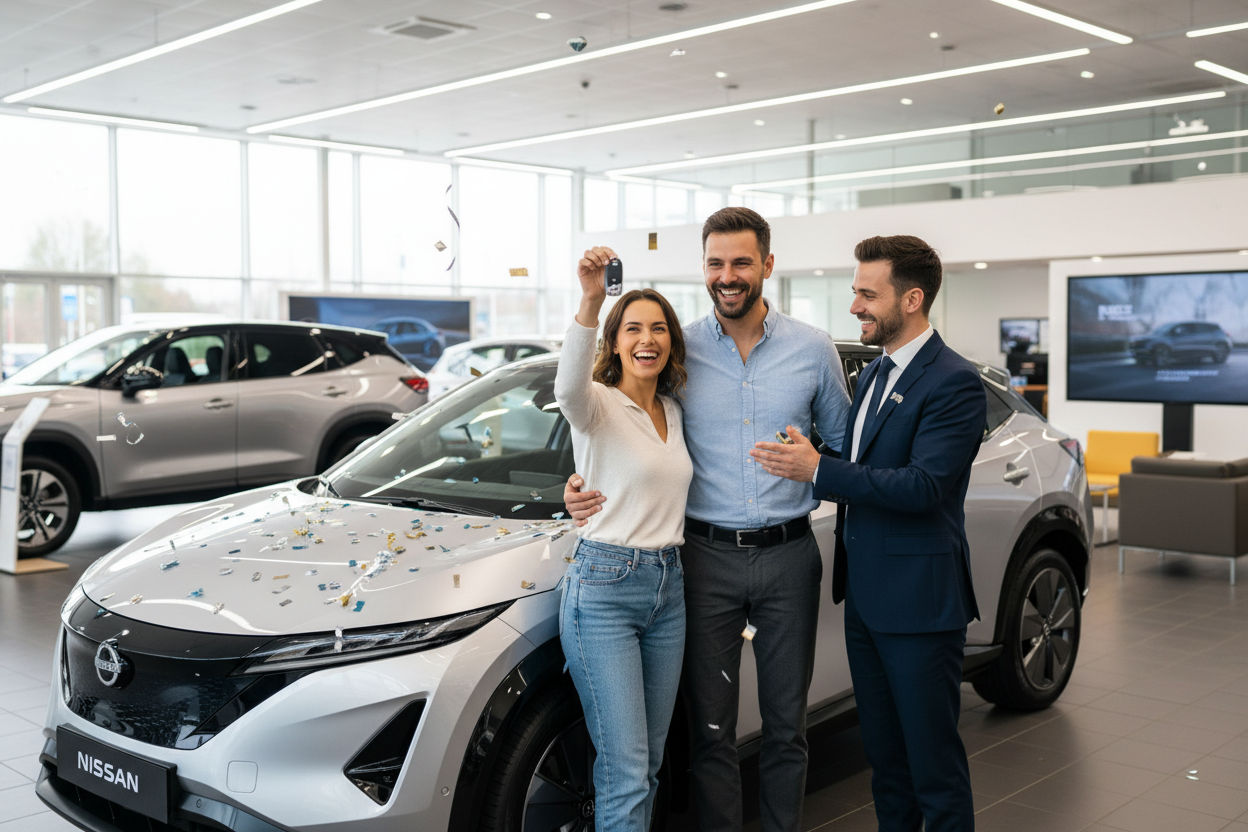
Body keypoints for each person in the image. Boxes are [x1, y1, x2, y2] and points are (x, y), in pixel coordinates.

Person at [566, 208, 852, 832]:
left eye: (742, 262)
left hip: (788, 557)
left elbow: (843, 446)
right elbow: (620, 419)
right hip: (702, 561)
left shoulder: (813, 349)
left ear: (767, 266)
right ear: (704, 269)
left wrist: (815, 462)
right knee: (712, 732)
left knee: (785, 727)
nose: (728, 275)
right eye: (716, 263)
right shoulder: (676, 347)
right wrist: (581, 483)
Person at [750, 235, 985, 832]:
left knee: (933, 768)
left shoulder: (953, 381)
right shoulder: (878, 371)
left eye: (866, 294)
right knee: (885, 764)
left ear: (912, 299)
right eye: (855, 291)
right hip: (868, 602)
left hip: (919, 606)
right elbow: (864, 463)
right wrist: (811, 457)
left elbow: (923, 487)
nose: (854, 305)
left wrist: (820, 470)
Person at [554, 246, 693, 831]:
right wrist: (590, 299)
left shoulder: (673, 409)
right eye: (633, 327)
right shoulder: (597, 406)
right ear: (613, 342)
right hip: (605, 589)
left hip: (670, 590)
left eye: (659, 328)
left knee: (650, 762)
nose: (647, 338)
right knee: (627, 767)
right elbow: (566, 387)